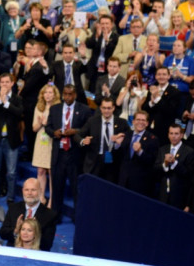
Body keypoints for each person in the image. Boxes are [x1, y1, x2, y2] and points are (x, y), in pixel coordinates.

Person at [45, 85, 92, 220]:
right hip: (59, 154)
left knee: (76, 188)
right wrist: (54, 133)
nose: (67, 97)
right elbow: (48, 128)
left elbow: (87, 129)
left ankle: (77, 217)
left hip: (75, 154)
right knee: (57, 187)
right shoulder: (55, 109)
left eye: (70, 94)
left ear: (75, 95)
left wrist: (75, 131)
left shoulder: (84, 109)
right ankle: (55, 216)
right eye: (65, 94)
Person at [0, 73, 24, 203]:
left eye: (7, 82)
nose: (4, 85)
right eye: (2, 82)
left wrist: (6, 103)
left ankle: (11, 197)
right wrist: (0, 100)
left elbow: (19, 113)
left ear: (12, 83)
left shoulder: (17, 99)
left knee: (12, 172)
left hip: (11, 140)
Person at [76, 97, 129, 183]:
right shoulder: (92, 121)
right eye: (104, 108)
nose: (106, 111)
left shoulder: (122, 123)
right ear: (100, 108)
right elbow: (78, 135)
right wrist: (83, 141)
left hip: (113, 164)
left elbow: (129, 138)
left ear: (113, 108)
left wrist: (122, 140)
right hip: (94, 162)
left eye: (109, 108)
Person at [0, 178, 57, 252]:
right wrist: (16, 230)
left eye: (33, 190)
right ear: (22, 191)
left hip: (36, 255)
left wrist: (35, 231)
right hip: (13, 252)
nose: (29, 193)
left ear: (40, 191)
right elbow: (2, 234)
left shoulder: (49, 215)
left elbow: (47, 244)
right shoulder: (14, 208)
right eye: (26, 190)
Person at [154, 124, 194, 209]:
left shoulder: (189, 151)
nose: (173, 136)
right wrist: (165, 164)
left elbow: (188, 173)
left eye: (176, 134)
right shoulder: (162, 149)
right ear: (168, 135)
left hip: (179, 196)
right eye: (171, 133)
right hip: (163, 195)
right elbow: (155, 169)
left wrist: (175, 163)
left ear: (181, 135)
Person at [31, 84, 60, 204]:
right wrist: (41, 123)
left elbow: (58, 127)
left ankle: (52, 200)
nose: (47, 95)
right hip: (41, 141)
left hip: (52, 141)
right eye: (45, 93)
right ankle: (41, 197)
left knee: (51, 172)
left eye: (50, 92)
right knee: (40, 171)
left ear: (55, 94)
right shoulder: (39, 107)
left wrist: (46, 123)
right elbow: (34, 128)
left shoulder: (58, 108)